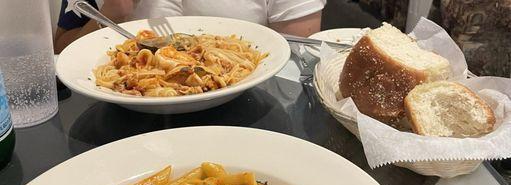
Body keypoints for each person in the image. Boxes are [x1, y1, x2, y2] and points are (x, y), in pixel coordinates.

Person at [54, 0, 326, 53]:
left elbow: (299, 52)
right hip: (117, 117)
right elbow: (59, 51)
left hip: (242, 116)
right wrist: (112, 10)